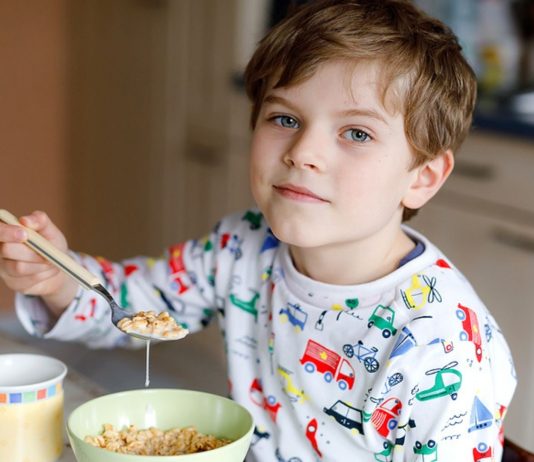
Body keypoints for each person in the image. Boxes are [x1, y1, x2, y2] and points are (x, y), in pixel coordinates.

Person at [0, 0, 516, 460]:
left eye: (356, 133)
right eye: (285, 119)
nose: (303, 152)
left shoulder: (440, 344)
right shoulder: (241, 247)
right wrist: (59, 282)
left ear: (422, 178)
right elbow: (135, 306)